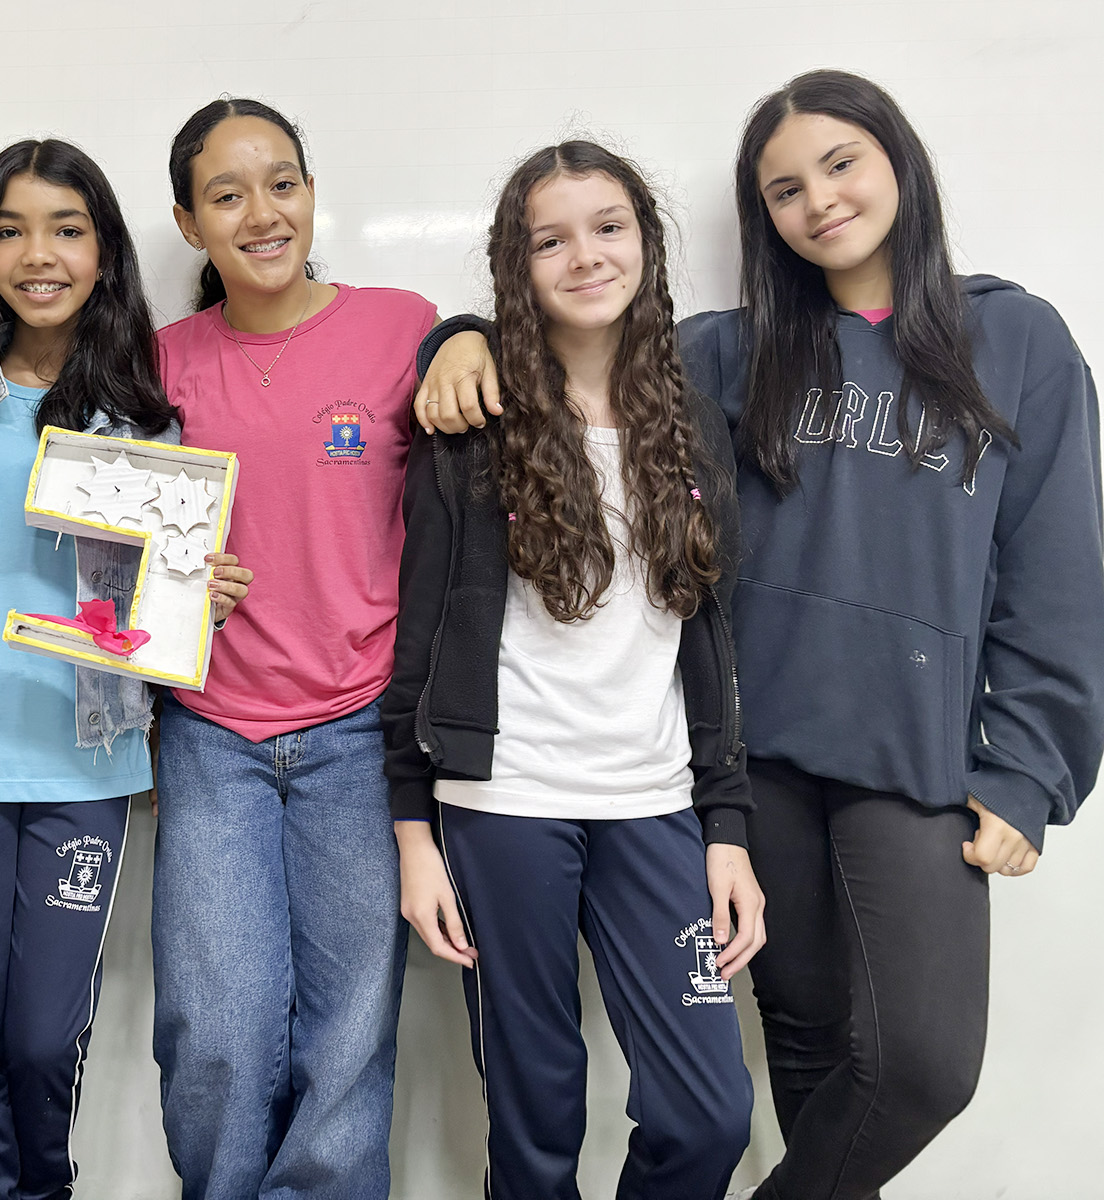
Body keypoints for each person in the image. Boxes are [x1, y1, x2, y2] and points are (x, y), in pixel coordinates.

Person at [413, 69, 1104, 1200]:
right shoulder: (729, 352)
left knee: (920, 1066)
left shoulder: (1018, 338)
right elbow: (580, 349)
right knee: (806, 1050)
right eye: (784, 189)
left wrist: (1029, 768)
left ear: (898, 160)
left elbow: (1057, 573)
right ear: (762, 216)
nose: (818, 201)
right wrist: (459, 337)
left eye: (840, 164)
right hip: (753, 760)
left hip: (914, 758)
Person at [385, 140, 763, 1200]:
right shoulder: (473, 423)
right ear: (518, 266)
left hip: (655, 805)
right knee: (536, 1110)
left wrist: (726, 828)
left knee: (707, 1116)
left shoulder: (692, 424)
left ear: (646, 241)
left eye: (608, 228)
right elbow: (422, 635)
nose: (585, 256)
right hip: (501, 807)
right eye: (550, 240)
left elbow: (711, 639)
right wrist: (413, 833)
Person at [0, 137, 250, 1199]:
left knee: (42, 1040)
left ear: (103, 252)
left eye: (66, 229)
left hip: (84, 764)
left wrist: (195, 595)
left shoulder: (144, 419)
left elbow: (149, 609)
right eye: (11, 231)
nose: (39, 255)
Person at [150, 98, 437, 1200]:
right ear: (190, 224)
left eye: (281, 184)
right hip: (210, 733)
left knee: (350, 1031)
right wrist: (176, 583)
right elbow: (108, 550)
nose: (262, 214)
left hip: (361, 730)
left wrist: (469, 336)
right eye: (227, 195)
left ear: (312, 194)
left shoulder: (403, 328)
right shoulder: (158, 360)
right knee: (215, 1029)